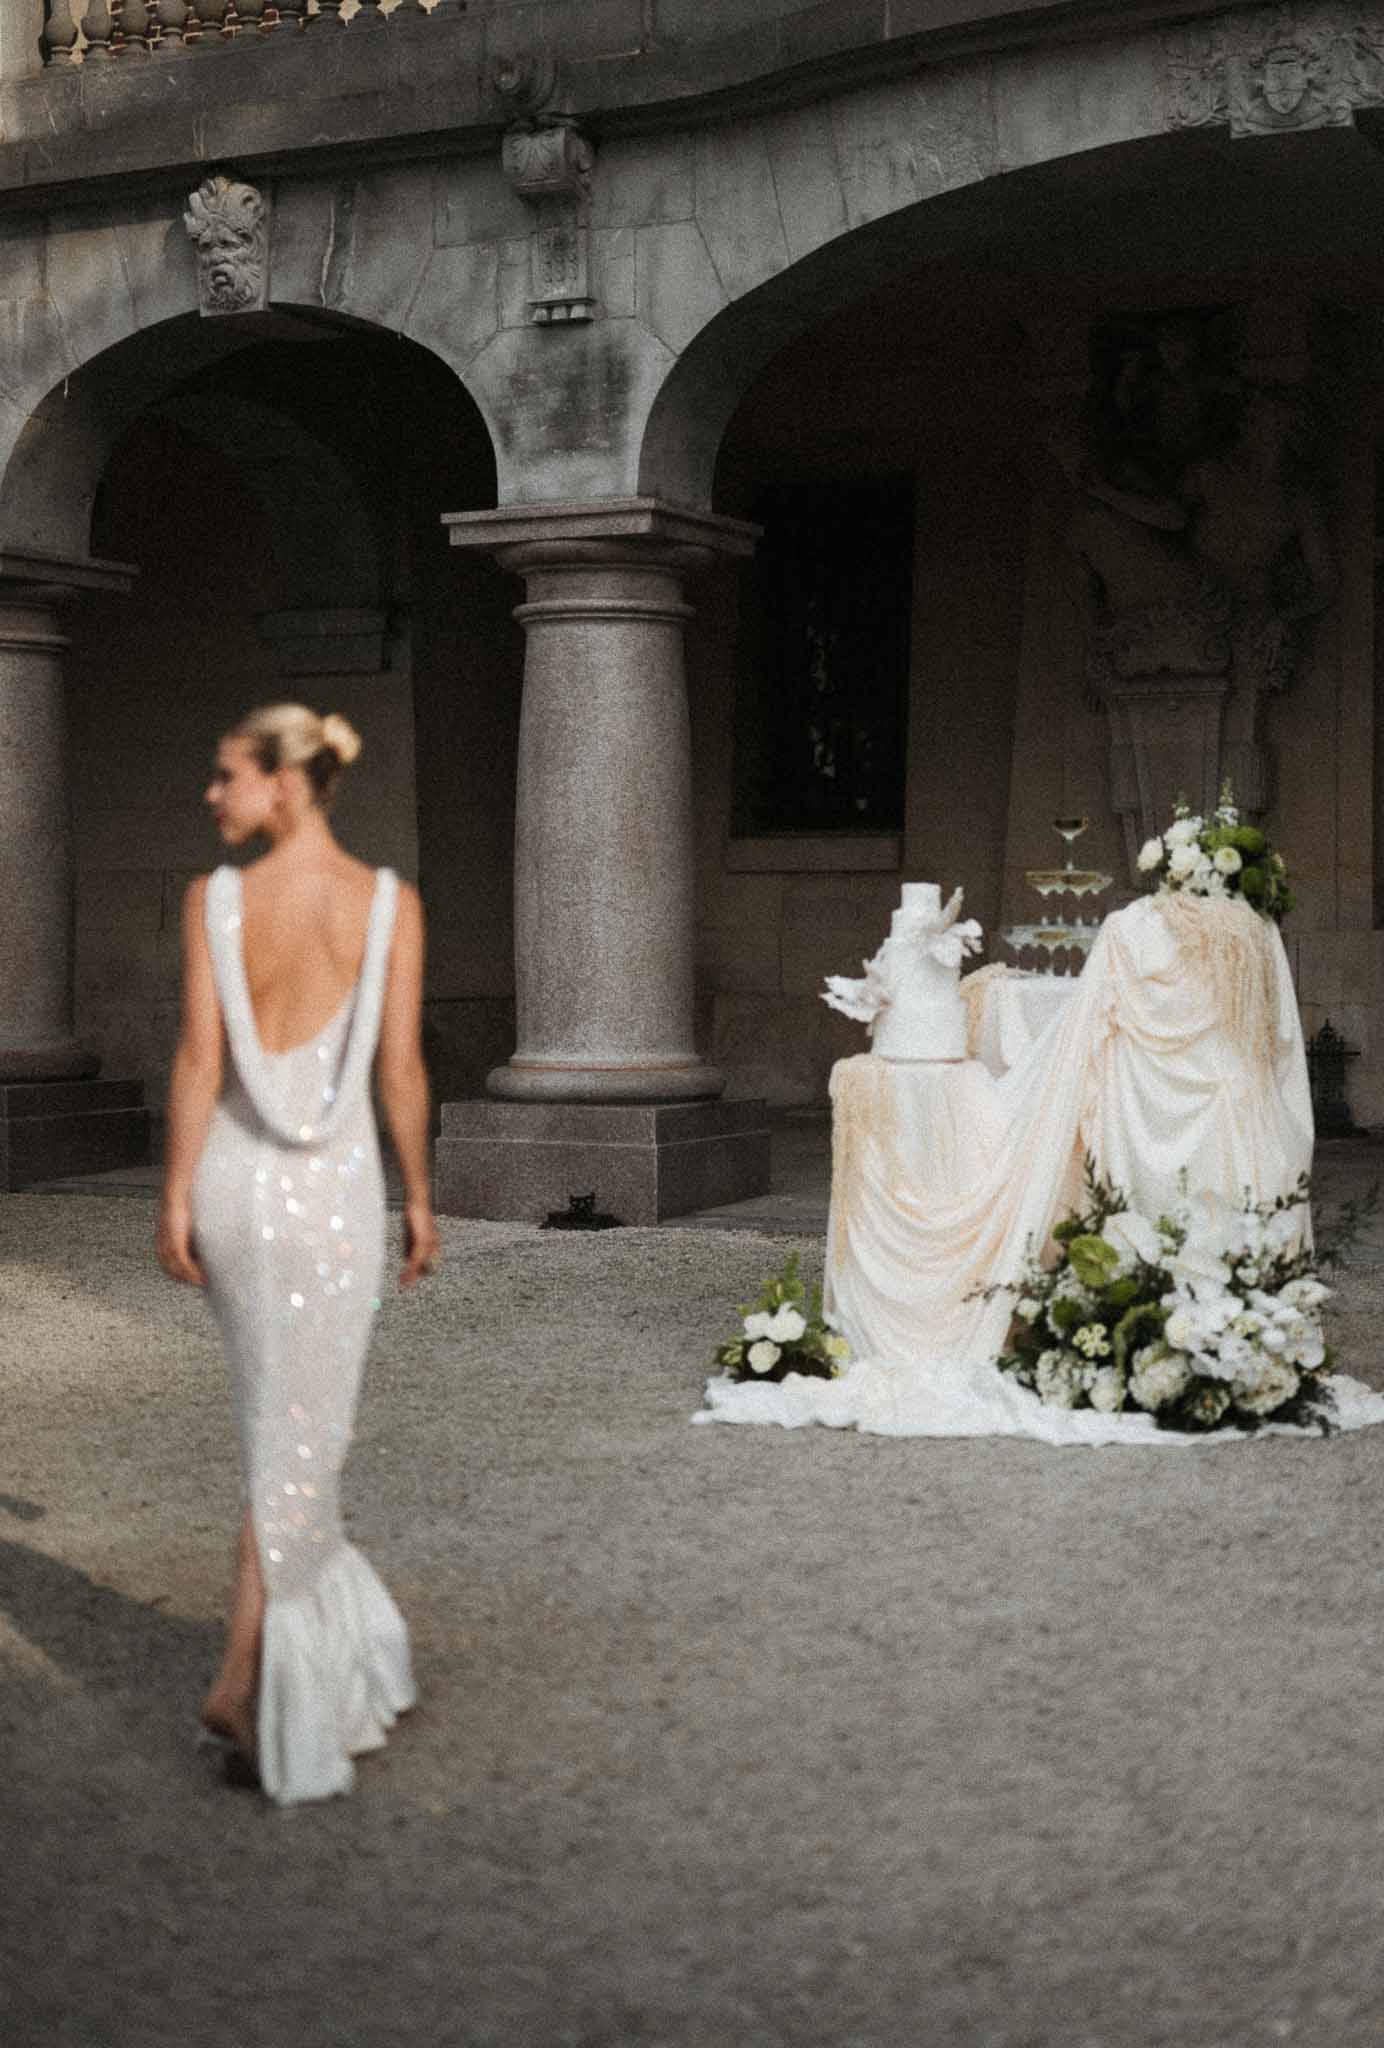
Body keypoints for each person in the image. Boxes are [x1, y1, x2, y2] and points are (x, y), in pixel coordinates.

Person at [155, 704, 440, 1804]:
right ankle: (242, 1675)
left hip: (236, 1184)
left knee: (281, 1424)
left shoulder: (214, 902)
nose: (211, 795)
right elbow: (401, 1070)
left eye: (225, 774)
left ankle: (256, 1660)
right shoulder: (387, 903)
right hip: (333, 1195)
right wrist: (420, 1198)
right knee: (301, 1428)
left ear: (283, 782)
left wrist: (177, 1194)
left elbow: (197, 1060)